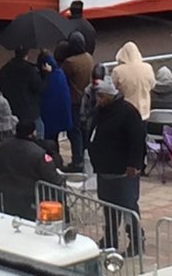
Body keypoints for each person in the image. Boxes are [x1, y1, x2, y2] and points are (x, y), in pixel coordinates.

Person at [88, 79, 146, 256]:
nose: (98, 100)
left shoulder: (128, 113)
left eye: (102, 96)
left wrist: (134, 164)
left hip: (123, 171)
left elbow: (137, 140)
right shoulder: (100, 112)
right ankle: (110, 238)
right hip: (104, 169)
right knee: (108, 206)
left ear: (110, 96)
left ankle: (136, 241)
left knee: (128, 207)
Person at [0, 120, 64, 219]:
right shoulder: (38, 153)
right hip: (30, 197)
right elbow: (52, 177)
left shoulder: (1, 147)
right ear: (33, 133)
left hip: (7, 192)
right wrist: (61, 180)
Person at [60, 31, 94, 171]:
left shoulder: (70, 62)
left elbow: (62, 75)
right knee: (84, 130)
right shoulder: (89, 57)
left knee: (75, 132)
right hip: (87, 100)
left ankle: (77, 161)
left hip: (74, 102)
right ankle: (84, 158)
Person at [0, 48, 46, 134]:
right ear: (26, 54)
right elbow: (40, 88)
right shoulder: (30, 70)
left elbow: (1, 86)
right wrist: (45, 74)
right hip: (30, 112)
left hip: (12, 110)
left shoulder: (4, 70)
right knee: (39, 135)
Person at [38, 51, 73, 152]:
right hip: (60, 116)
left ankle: (52, 160)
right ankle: (57, 160)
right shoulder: (60, 74)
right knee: (55, 140)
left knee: (49, 141)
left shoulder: (47, 78)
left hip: (49, 117)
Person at [111, 41, 156, 120]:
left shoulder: (118, 71)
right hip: (143, 112)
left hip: (124, 112)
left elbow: (112, 89)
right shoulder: (148, 68)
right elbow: (152, 85)